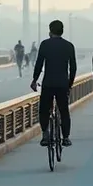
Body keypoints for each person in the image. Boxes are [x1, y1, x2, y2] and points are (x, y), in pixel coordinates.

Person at [30, 20, 78, 148]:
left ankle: (45, 134)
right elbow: (73, 68)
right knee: (64, 111)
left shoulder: (45, 44)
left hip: (48, 84)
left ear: (50, 31)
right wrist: (70, 84)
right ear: (62, 31)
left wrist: (34, 80)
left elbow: (39, 64)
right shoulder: (69, 46)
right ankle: (66, 137)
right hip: (63, 84)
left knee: (44, 110)